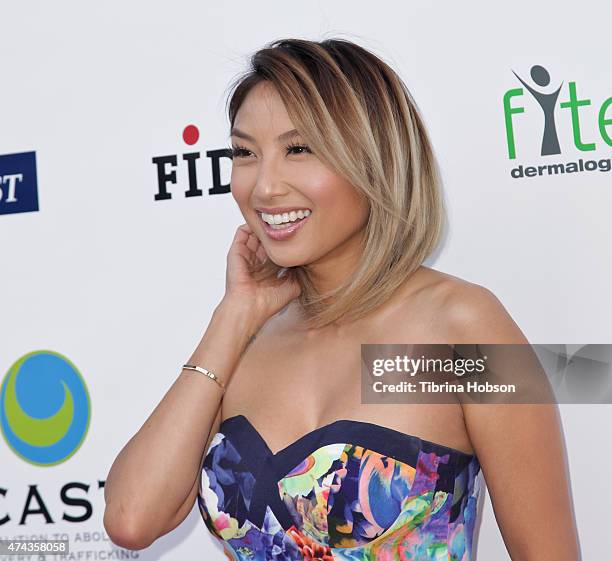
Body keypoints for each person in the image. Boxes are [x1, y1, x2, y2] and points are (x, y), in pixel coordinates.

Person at [103, 38, 581, 560]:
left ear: (372, 159)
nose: (264, 188)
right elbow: (132, 519)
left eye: (299, 149)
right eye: (244, 153)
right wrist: (233, 316)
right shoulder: (244, 340)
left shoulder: (459, 328)